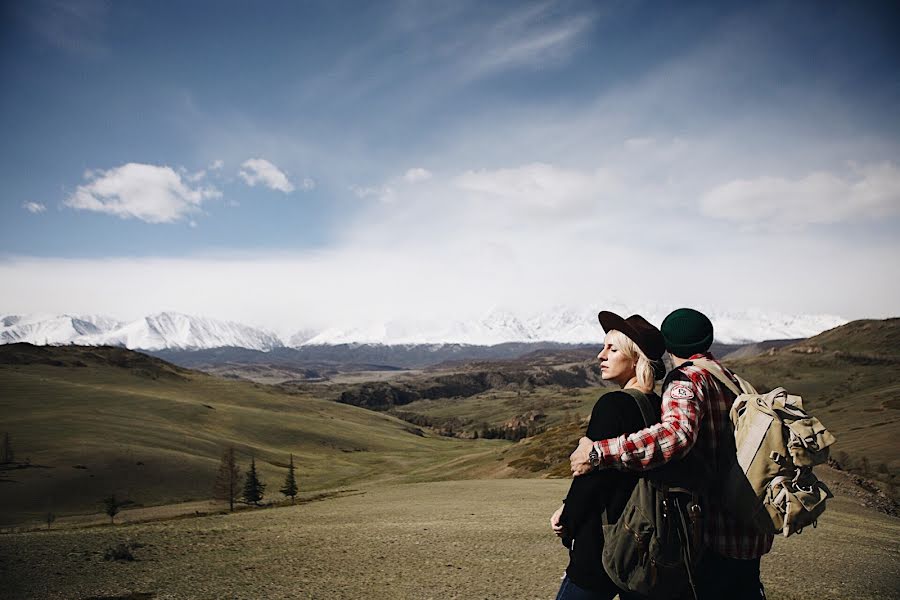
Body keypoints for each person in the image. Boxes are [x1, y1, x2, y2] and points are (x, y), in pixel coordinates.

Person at [569, 308, 773, 600]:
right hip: (747, 525)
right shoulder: (730, 379)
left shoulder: (687, 379)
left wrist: (600, 451)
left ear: (669, 344)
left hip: (711, 530)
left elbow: (676, 435)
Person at [550, 311, 666, 600]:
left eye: (612, 349)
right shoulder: (661, 406)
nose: (600, 356)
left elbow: (591, 478)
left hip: (604, 543)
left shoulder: (613, 404)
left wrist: (568, 517)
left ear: (636, 358)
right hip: (649, 541)